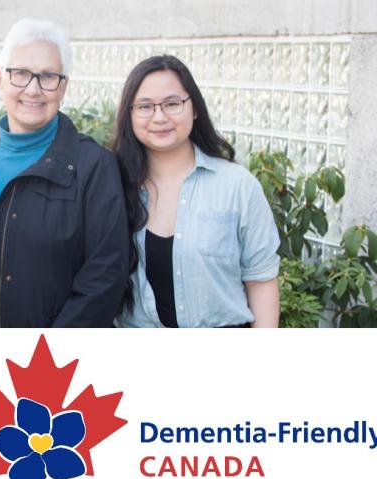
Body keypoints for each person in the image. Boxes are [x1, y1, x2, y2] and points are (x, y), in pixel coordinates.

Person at [0, 18, 130, 328]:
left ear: (64, 86)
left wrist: (45, 358)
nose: (33, 89)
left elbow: (105, 276)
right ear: (0, 78)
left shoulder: (93, 167)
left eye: (47, 76)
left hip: (56, 368)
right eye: (20, 74)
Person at [113, 55, 281, 328]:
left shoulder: (237, 186)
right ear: (129, 114)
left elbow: (261, 281)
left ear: (194, 108)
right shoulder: (112, 186)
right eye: (145, 106)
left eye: (172, 104)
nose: (159, 117)